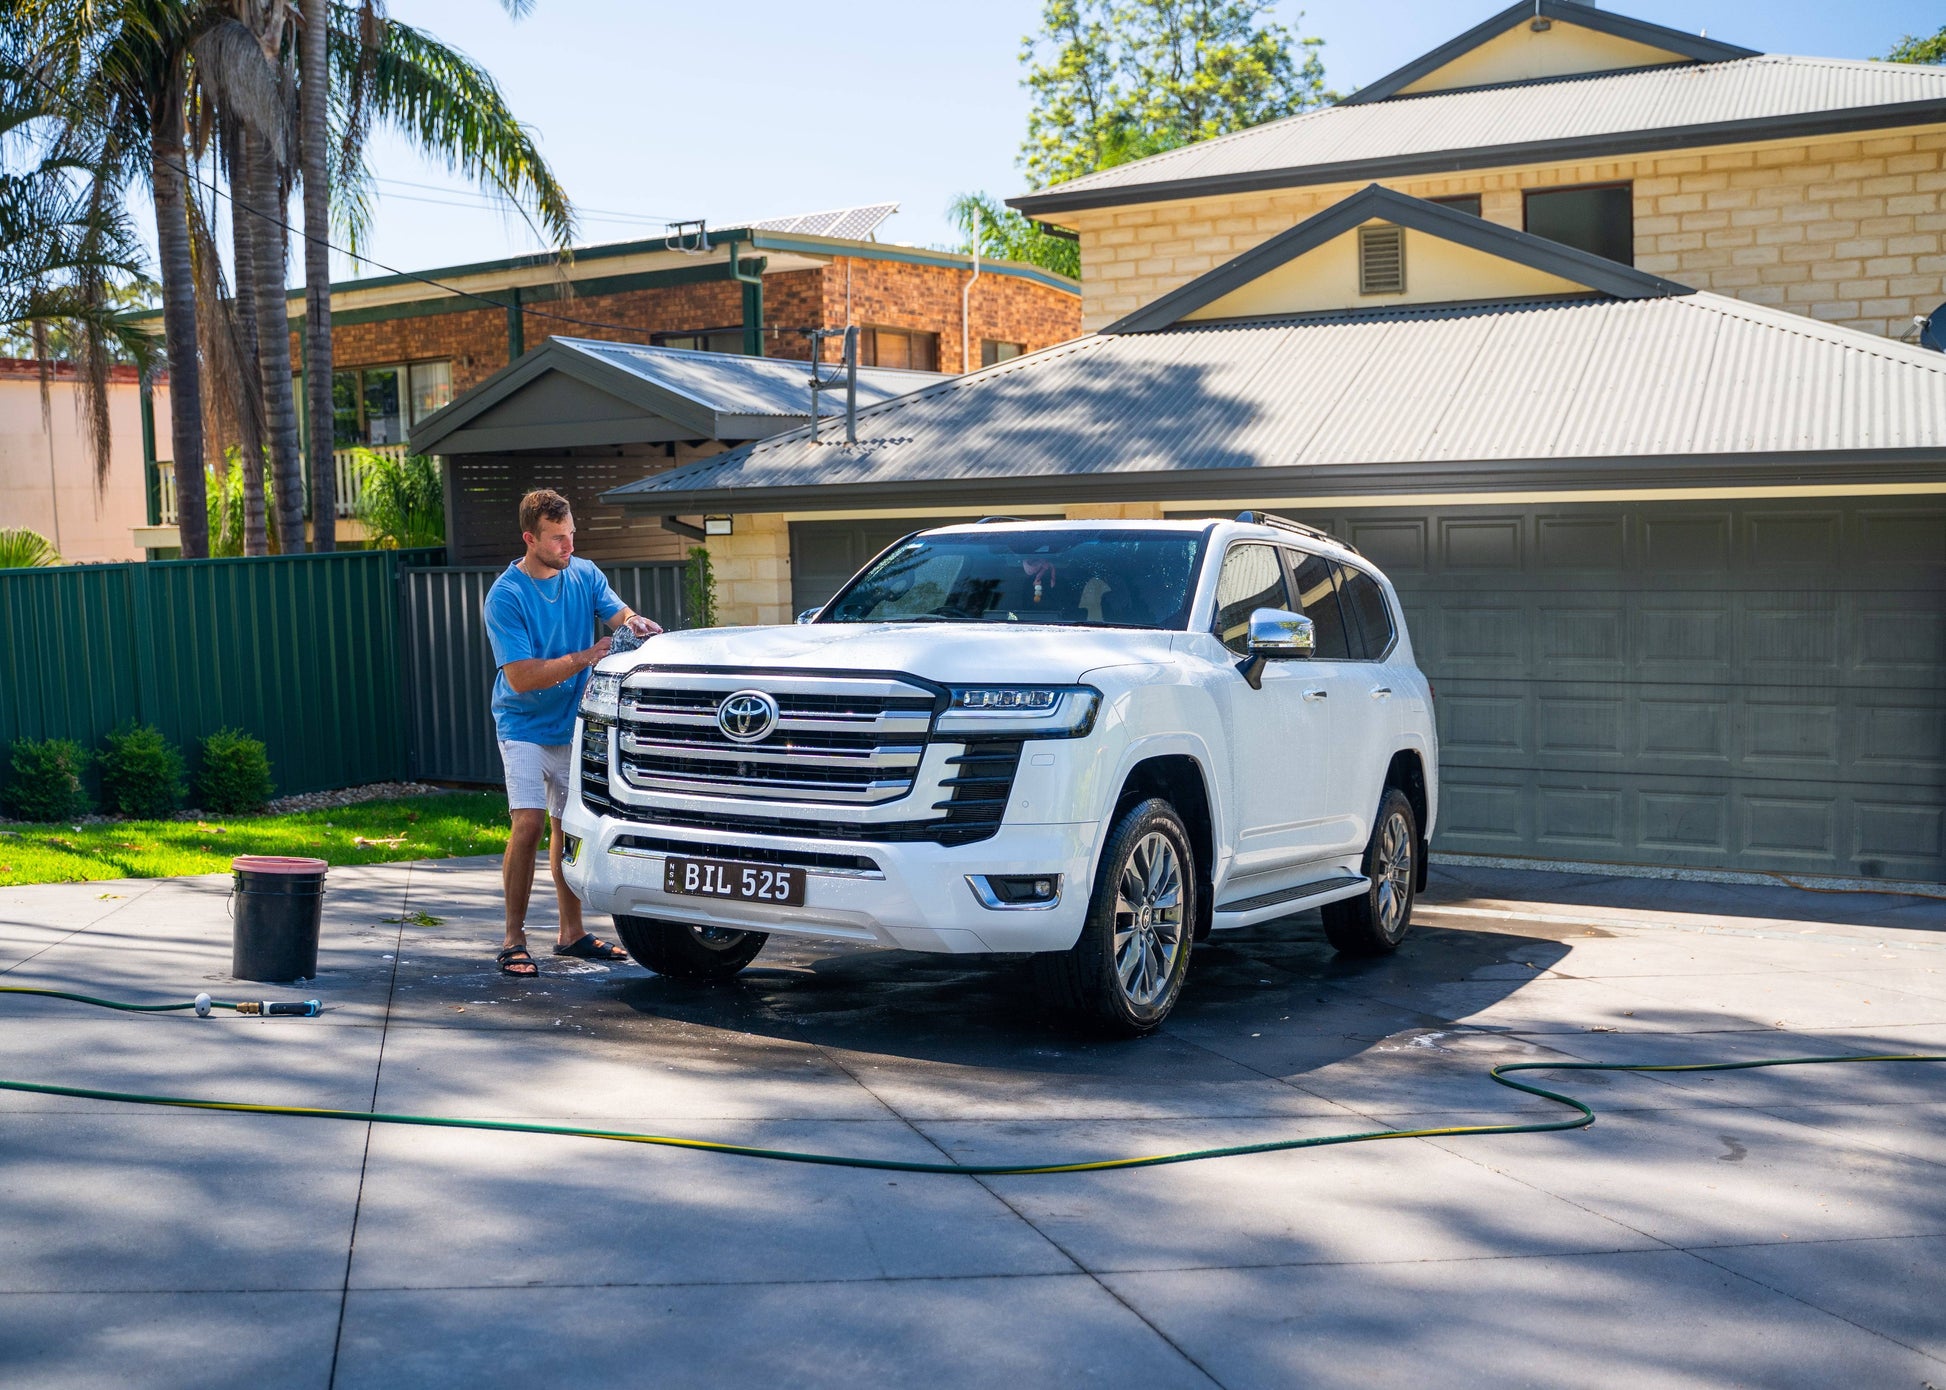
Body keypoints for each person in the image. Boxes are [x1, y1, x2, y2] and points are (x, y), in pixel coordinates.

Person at [482, 488, 661, 977]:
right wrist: (585, 656)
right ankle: (513, 938)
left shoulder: (584, 573)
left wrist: (635, 622)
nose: (569, 547)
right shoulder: (506, 595)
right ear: (530, 538)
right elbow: (520, 677)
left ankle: (572, 933)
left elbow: (618, 613)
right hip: (522, 725)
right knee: (529, 824)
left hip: (574, 722)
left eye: (571, 535)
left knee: (568, 828)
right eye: (558, 539)